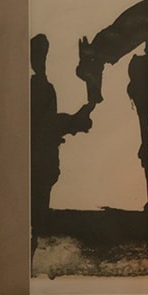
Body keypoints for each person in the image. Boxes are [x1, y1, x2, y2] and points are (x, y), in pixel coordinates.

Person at [30, 32, 94, 243]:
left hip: (43, 160)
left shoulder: (45, 88)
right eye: (38, 55)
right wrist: (75, 121)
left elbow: (52, 123)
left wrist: (77, 118)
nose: (41, 60)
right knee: (37, 212)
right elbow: (48, 124)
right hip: (38, 159)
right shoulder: (40, 89)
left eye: (42, 55)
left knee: (38, 213)